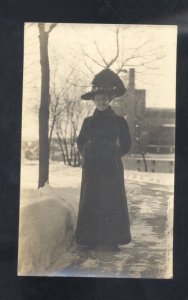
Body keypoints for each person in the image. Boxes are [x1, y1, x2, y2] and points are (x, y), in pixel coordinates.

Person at [75, 68, 132, 252]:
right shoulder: (87, 122)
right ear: (94, 100)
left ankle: (111, 239)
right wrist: (89, 154)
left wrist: (113, 155)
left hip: (111, 170)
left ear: (110, 99)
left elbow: (126, 144)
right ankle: (89, 239)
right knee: (91, 201)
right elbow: (80, 141)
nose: (101, 101)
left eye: (104, 98)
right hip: (91, 169)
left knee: (110, 202)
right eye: (98, 98)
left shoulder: (119, 121)